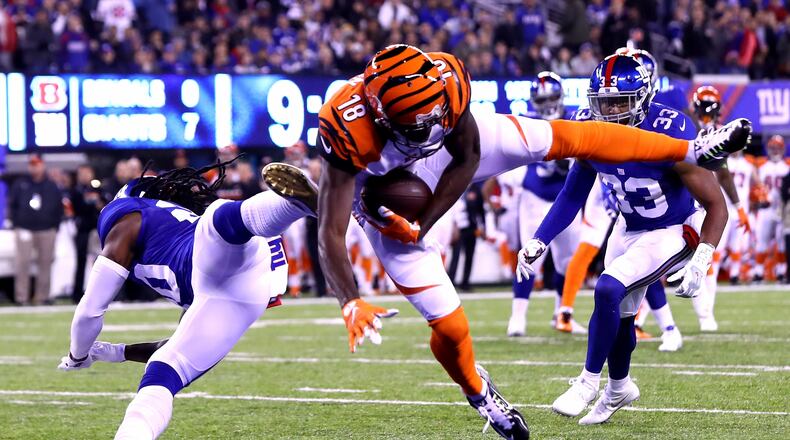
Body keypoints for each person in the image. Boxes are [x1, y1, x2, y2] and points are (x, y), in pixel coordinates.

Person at [316, 44, 750, 439]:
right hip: (389, 202)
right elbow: (330, 232)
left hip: (659, 224)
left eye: (435, 114)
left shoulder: (445, 78)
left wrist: (425, 223)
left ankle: (693, 149)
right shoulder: (345, 126)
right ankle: (496, 392)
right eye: (415, 124)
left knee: (566, 137)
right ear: (380, 113)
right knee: (458, 326)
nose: (429, 127)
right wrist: (350, 299)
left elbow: (466, 156)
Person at [519, 54, 728, 425]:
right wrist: (540, 239)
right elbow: (572, 193)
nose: (611, 110)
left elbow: (716, 204)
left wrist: (701, 259)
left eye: (620, 102)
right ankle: (619, 389)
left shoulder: (669, 128)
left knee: (607, 289)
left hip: (672, 228)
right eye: (603, 102)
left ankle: (587, 382)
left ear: (643, 99)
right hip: (627, 226)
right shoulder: (589, 126)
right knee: (623, 316)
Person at [57, 161, 329, 440]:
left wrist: (78, 355)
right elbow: (173, 344)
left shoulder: (127, 220)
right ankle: (296, 206)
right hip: (238, 281)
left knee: (217, 220)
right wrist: (114, 352)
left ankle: (296, 205)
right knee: (162, 372)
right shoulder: (165, 223)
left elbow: (90, 311)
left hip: (226, 281)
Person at [508, 71, 583, 337]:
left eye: (552, 97)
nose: (548, 103)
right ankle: (517, 317)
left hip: (567, 199)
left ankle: (560, 313)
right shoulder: (528, 123)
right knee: (529, 258)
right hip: (535, 196)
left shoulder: (576, 118)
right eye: (543, 99)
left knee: (568, 261)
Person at [691, 85, 753, 330]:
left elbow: (724, 174)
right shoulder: (698, 130)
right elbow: (724, 175)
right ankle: (705, 316)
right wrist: (739, 207)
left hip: (702, 201)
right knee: (704, 258)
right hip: (701, 201)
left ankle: (706, 314)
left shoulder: (691, 128)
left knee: (706, 259)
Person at [7, 154, 63, 305]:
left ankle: (42, 297)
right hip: (25, 228)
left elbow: (59, 207)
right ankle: (21, 297)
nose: (34, 167)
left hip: (46, 229)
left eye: (37, 164)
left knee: (45, 263)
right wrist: (16, 224)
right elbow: (12, 205)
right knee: (22, 263)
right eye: (32, 164)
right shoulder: (20, 184)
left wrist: (55, 226)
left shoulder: (51, 185)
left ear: (42, 165)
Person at [754, 135, 789, 282]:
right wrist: (759, 197)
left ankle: (781, 272)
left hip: (782, 209)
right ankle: (758, 272)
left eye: (778, 147)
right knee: (762, 241)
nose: (775, 150)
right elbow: (756, 187)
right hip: (766, 209)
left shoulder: (787, 166)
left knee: (782, 242)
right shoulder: (761, 166)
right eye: (773, 147)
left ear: (783, 149)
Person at [70, 164, 105, 303]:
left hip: (97, 230)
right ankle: (77, 293)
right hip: (83, 230)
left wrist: (98, 203)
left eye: (87, 173)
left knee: (101, 262)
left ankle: (101, 291)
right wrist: (90, 202)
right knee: (81, 261)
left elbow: (105, 204)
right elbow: (77, 208)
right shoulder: (76, 191)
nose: (84, 176)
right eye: (82, 173)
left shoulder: (98, 188)